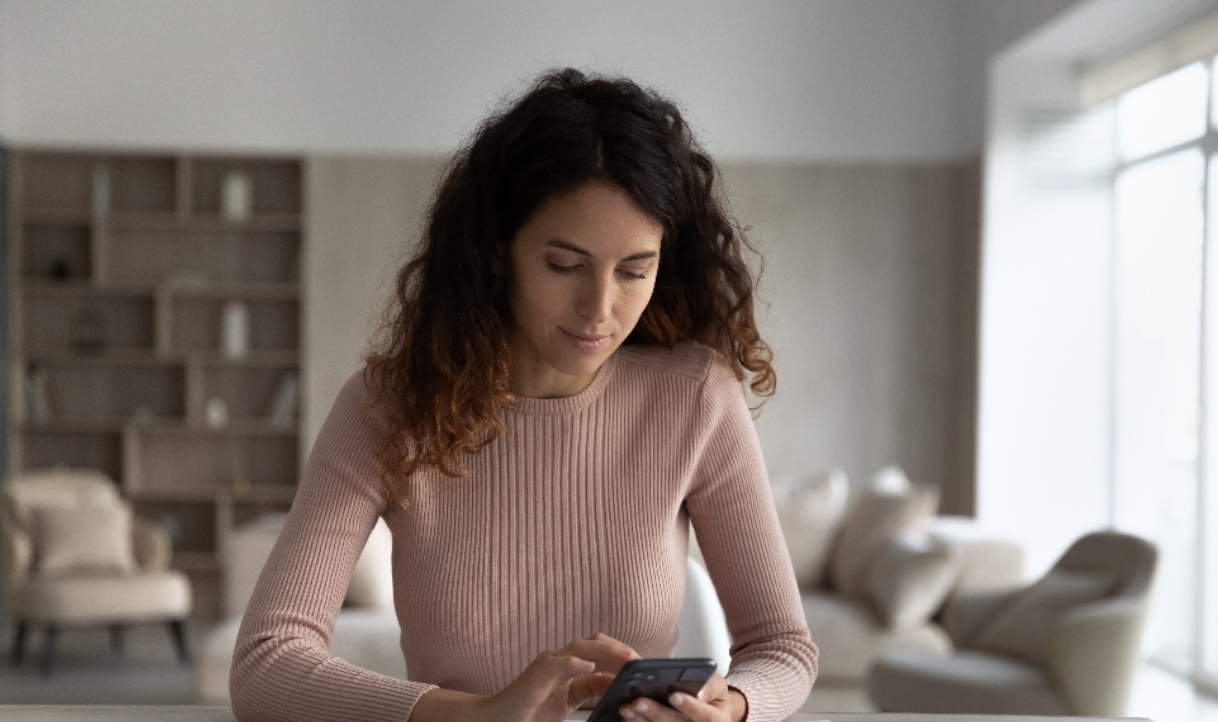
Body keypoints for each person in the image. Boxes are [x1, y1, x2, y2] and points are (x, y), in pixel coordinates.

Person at [231, 67, 818, 722]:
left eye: (634, 271)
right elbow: (266, 663)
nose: (600, 308)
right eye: (564, 265)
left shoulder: (697, 399)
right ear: (496, 251)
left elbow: (783, 647)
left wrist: (732, 706)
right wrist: (476, 716)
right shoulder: (389, 408)